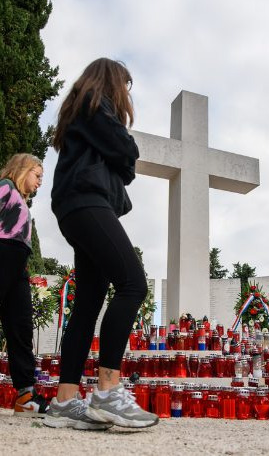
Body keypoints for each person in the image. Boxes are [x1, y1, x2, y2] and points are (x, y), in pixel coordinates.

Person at [44, 59, 155, 430]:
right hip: (87, 201)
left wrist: (122, 157)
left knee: (89, 302)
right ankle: (108, 391)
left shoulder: (81, 109)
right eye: (126, 83)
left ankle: (64, 400)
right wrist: (123, 151)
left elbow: (124, 163)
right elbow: (126, 153)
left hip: (75, 205)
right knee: (133, 284)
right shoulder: (95, 103)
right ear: (112, 81)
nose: (127, 92)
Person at [0, 154, 48, 418]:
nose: (40, 182)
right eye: (37, 175)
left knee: (21, 326)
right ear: (22, 169)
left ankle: (25, 396)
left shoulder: (22, 201)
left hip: (18, 264)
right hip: (3, 254)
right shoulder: (6, 186)